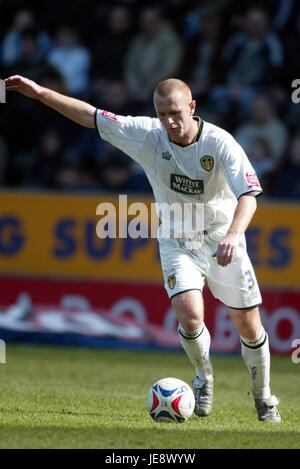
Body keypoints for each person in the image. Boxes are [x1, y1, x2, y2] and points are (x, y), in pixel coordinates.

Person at [4, 75, 281, 422]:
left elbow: (249, 197)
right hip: (178, 240)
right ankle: (204, 377)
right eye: (162, 114)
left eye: (176, 113)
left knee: (248, 324)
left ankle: (264, 397)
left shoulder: (220, 143)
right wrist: (41, 93)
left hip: (223, 238)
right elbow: (90, 115)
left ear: (192, 108)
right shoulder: (148, 134)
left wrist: (232, 235)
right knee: (189, 314)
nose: (169, 121)